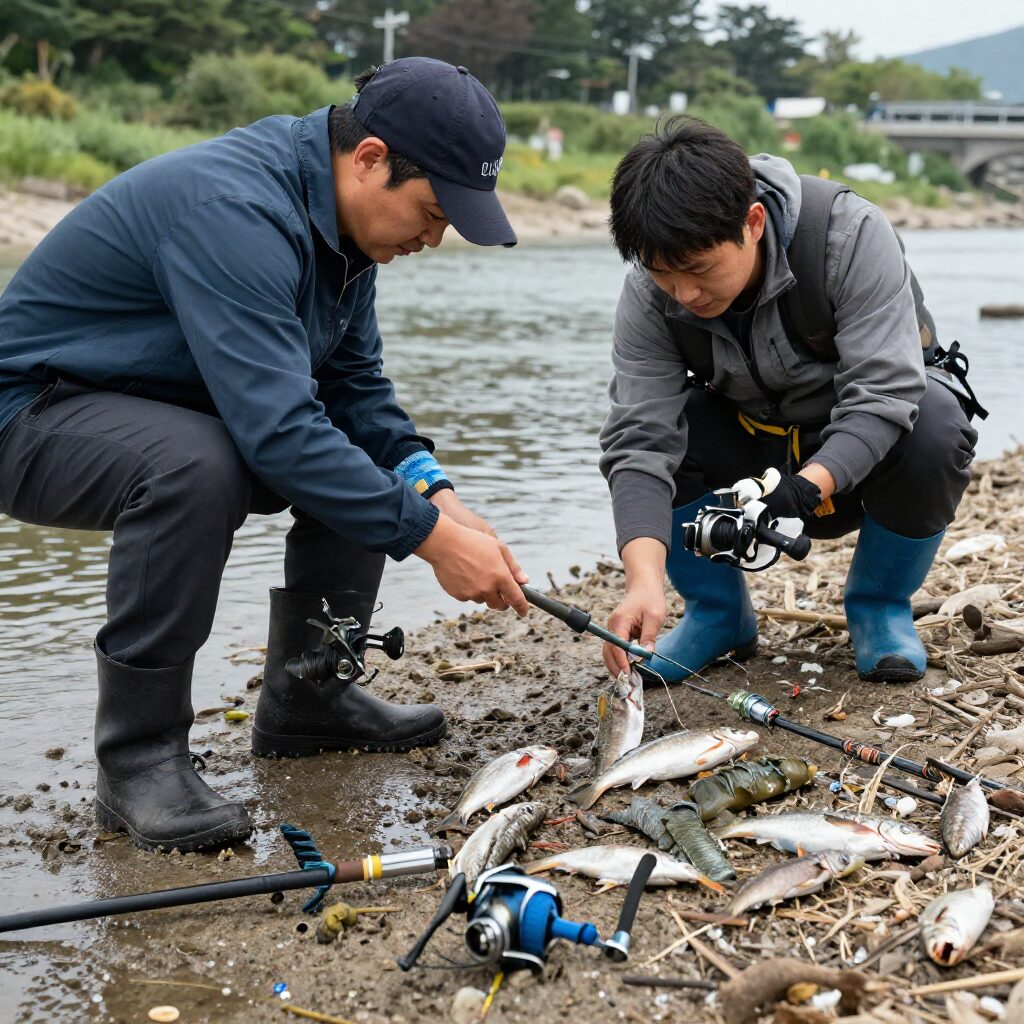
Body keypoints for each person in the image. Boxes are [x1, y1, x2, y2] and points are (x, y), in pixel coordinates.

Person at [0, 57, 530, 854]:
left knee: (340, 451)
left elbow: (355, 389)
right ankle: (138, 758)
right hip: (30, 414)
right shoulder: (236, 212)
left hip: (145, 403)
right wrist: (431, 540)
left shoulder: (348, 236)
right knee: (196, 463)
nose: (434, 236)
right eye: (431, 211)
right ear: (369, 159)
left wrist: (437, 495)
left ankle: (310, 699)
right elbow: (278, 433)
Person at [599, 116, 979, 686]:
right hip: (751, 448)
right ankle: (718, 616)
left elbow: (884, 393)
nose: (684, 295)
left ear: (752, 222)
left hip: (862, 459)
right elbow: (640, 436)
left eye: (699, 271)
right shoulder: (650, 293)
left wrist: (806, 488)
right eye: (663, 276)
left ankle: (880, 605)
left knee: (937, 421)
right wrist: (643, 580)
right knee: (666, 429)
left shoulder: (849, 236)